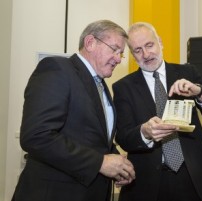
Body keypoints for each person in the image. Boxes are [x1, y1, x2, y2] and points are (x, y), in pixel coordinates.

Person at [11, 19, 135, 201]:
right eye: (115, 49)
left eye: (121, 54)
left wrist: (118, 165)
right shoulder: (57, 69)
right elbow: (37, 135)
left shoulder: (101, 85)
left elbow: (93, 139)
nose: (118, 58)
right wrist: (100, 162)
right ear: (90, 42)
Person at [112, 22, 202, 201]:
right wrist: (144, 132)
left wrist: (200, 93)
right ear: (131, 54)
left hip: (193, 175)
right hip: (147, 181)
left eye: (149, 45)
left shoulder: (188, 72)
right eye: (137, 50)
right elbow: (123, 137)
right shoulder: (123, 87)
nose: (146, 54)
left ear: (160, 42)